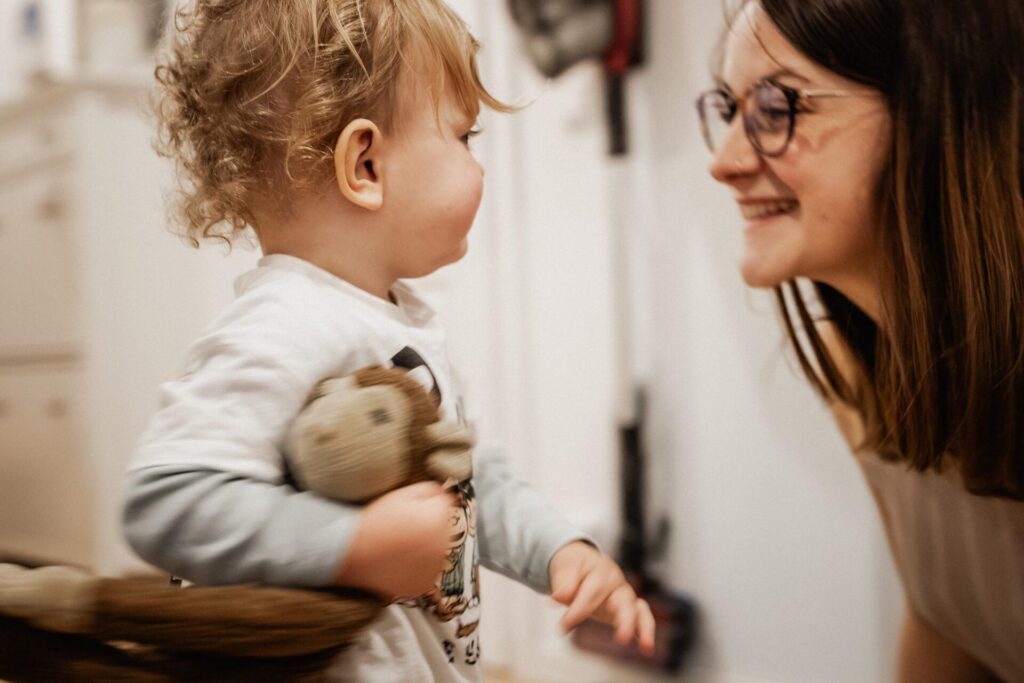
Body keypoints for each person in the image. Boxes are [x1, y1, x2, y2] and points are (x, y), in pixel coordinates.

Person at [121, 1, 654, 680]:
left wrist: (559, 549)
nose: (477, 164)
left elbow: (466, 479)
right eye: (464, 137)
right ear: (365, 165)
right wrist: (353, 544)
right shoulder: (284, 326)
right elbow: (167, 501)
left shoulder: (391, 320)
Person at [698, 0, 1024, 680]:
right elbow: (948, 620)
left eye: (778, 108)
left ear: (941, 112)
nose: (724, 162)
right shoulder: (857, 376)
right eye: (730, 110)